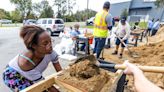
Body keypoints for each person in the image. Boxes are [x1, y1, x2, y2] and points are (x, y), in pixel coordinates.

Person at [3, 25, 62, 92]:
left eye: (50, 41)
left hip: (30, 73)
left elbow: (60, 72)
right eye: (45, 43)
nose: (50, 45)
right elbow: (44, 84)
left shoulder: (50, 52)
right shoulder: (26, 63)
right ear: (34, 45)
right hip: (13, 75)